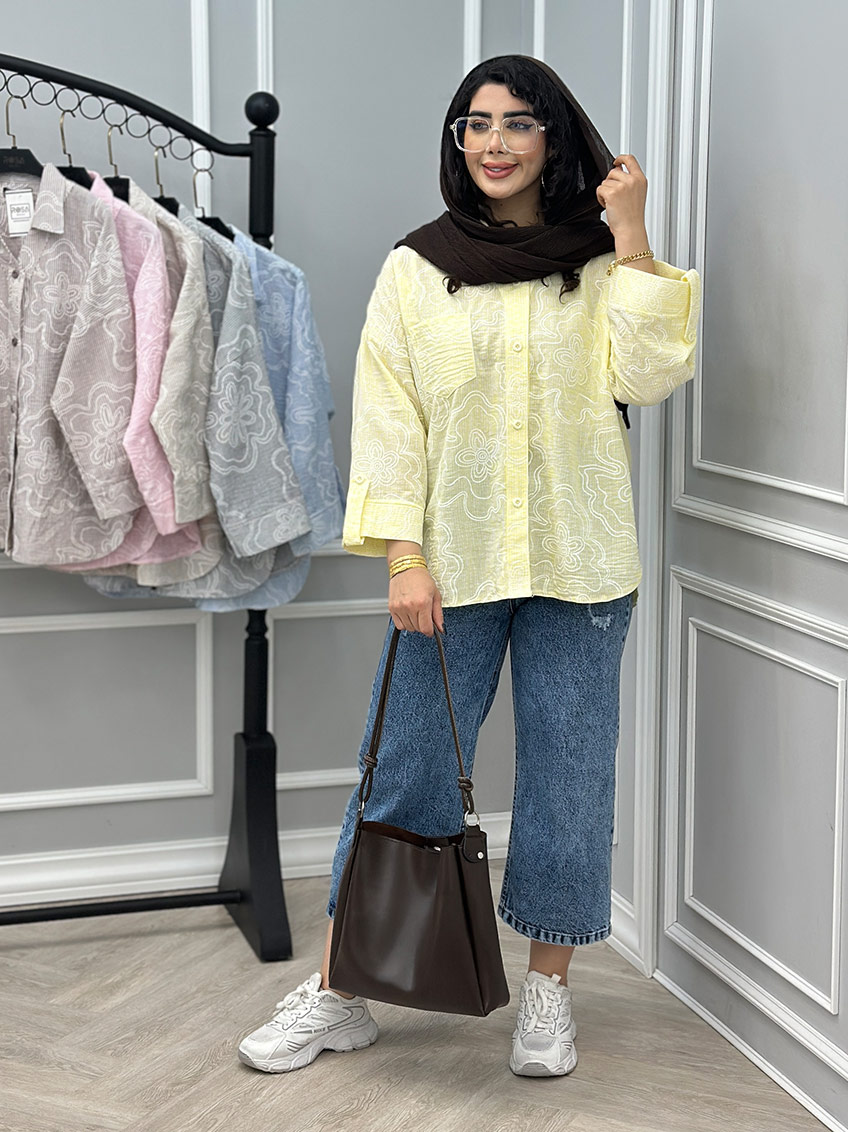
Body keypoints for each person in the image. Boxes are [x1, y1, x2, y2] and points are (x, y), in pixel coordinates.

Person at [237, 54, 700, 1078]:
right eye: (475, 123)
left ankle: (547, 994)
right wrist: (403, 555)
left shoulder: (598, 263)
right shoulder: (417, 267)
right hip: (447, 566)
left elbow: (648, 376)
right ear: (458, 140)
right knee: (403, 770)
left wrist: (630, 235)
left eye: (517, 122)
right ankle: (342, 988)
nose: (494, 142)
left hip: (582, 561)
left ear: (552, 137)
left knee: (568, 777)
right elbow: (389, 418)